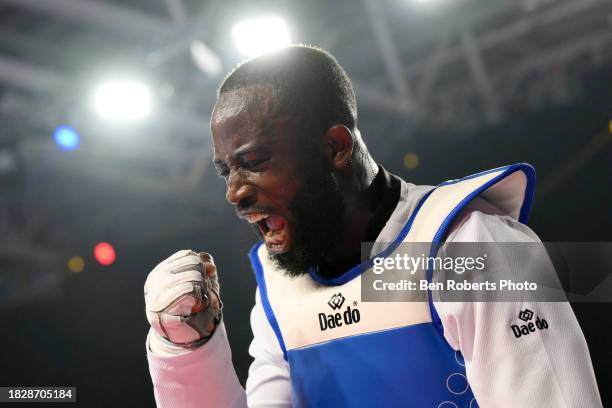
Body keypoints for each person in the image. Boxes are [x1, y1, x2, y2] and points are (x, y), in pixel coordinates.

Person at [143, 45, 602, 407]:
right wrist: (185, 349)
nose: (235, 193)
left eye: (254, 162)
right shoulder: (280, 284)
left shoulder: (469, 245)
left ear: (335, 148)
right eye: (227, 171)